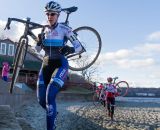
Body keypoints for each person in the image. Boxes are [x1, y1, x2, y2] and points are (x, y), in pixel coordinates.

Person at [35, 1, 82, 130]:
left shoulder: (64, 29)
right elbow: (37, 50)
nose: (50, 16)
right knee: (41, 100)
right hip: (45, 65)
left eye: (53, 14)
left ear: (58, 15)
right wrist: (39, 42)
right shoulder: (43, 29)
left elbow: (80, 47)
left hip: (60, 65)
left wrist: (70, 49)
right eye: (48, 14)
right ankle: (53, 113)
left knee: (50, 96)